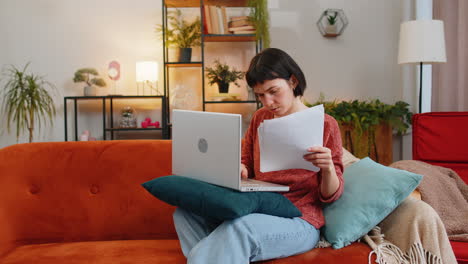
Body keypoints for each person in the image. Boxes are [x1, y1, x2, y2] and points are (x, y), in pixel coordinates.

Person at [173, 48, 344, 264]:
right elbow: (247, 164)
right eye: (261, 95)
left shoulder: (326, 124)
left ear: (293, 81)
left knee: (239, 229)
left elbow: (331, 195)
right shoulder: (260, 118)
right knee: (186, 213)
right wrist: (241, 170)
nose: (268, 102)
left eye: (274, 91)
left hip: (299, 219)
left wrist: (327, 167)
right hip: (256, 208)